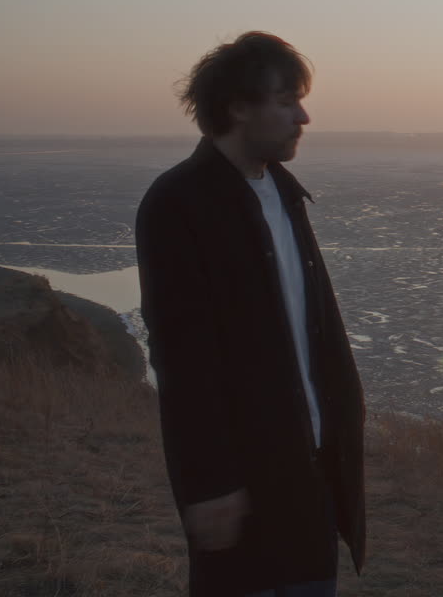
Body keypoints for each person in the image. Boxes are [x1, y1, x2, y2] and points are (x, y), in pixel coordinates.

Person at [136, 32, 365, 596]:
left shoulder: (284, 193)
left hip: (310, 471)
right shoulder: (178, 203)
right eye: (286, 100)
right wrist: (210, 485)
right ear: (238, 106)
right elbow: (184, 360)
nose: (303, 116)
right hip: (243, 482)